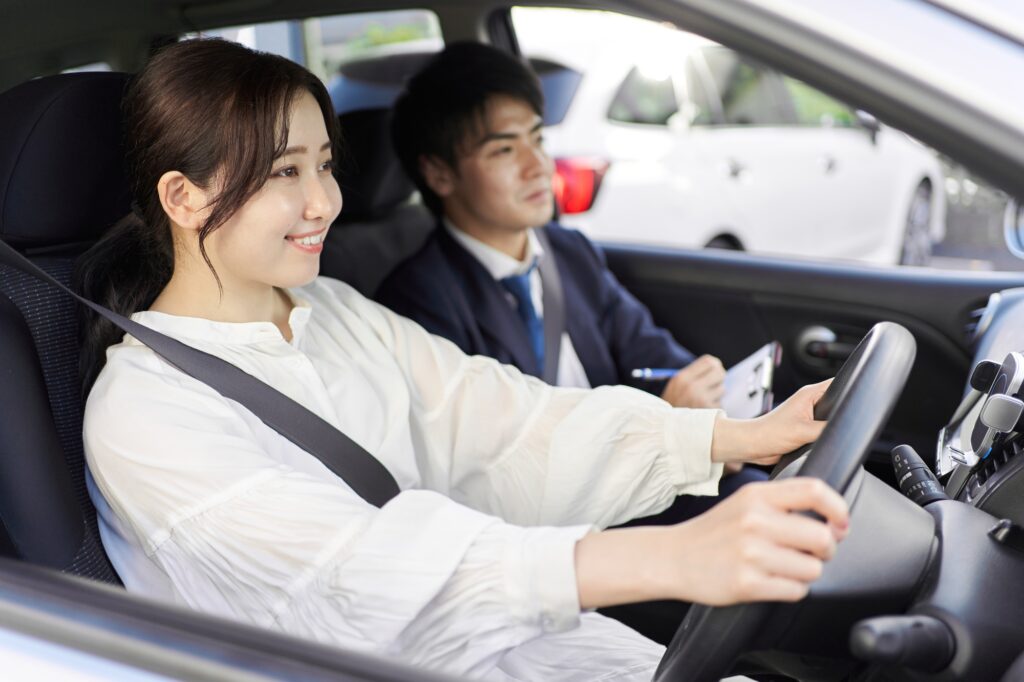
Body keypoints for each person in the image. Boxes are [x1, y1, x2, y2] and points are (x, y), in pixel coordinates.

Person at [78, 38, 848, 682]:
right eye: (286, 172)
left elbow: (504, 422)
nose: (325, 202)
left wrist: (731, 437)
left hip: (507, 639)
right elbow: (352, 579)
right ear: (183, 198)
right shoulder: (146, 414)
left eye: (324, 164)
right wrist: (668, 556)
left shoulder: (337, 312)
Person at [375, 42, 726, 412]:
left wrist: (703, 394)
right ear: (439, 173)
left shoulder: (569, 252)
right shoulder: (417, 304)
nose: (539, 166)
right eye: (504, 151)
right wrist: (667, 423)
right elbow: (493, 454)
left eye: (537, 139)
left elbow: (654, 355)